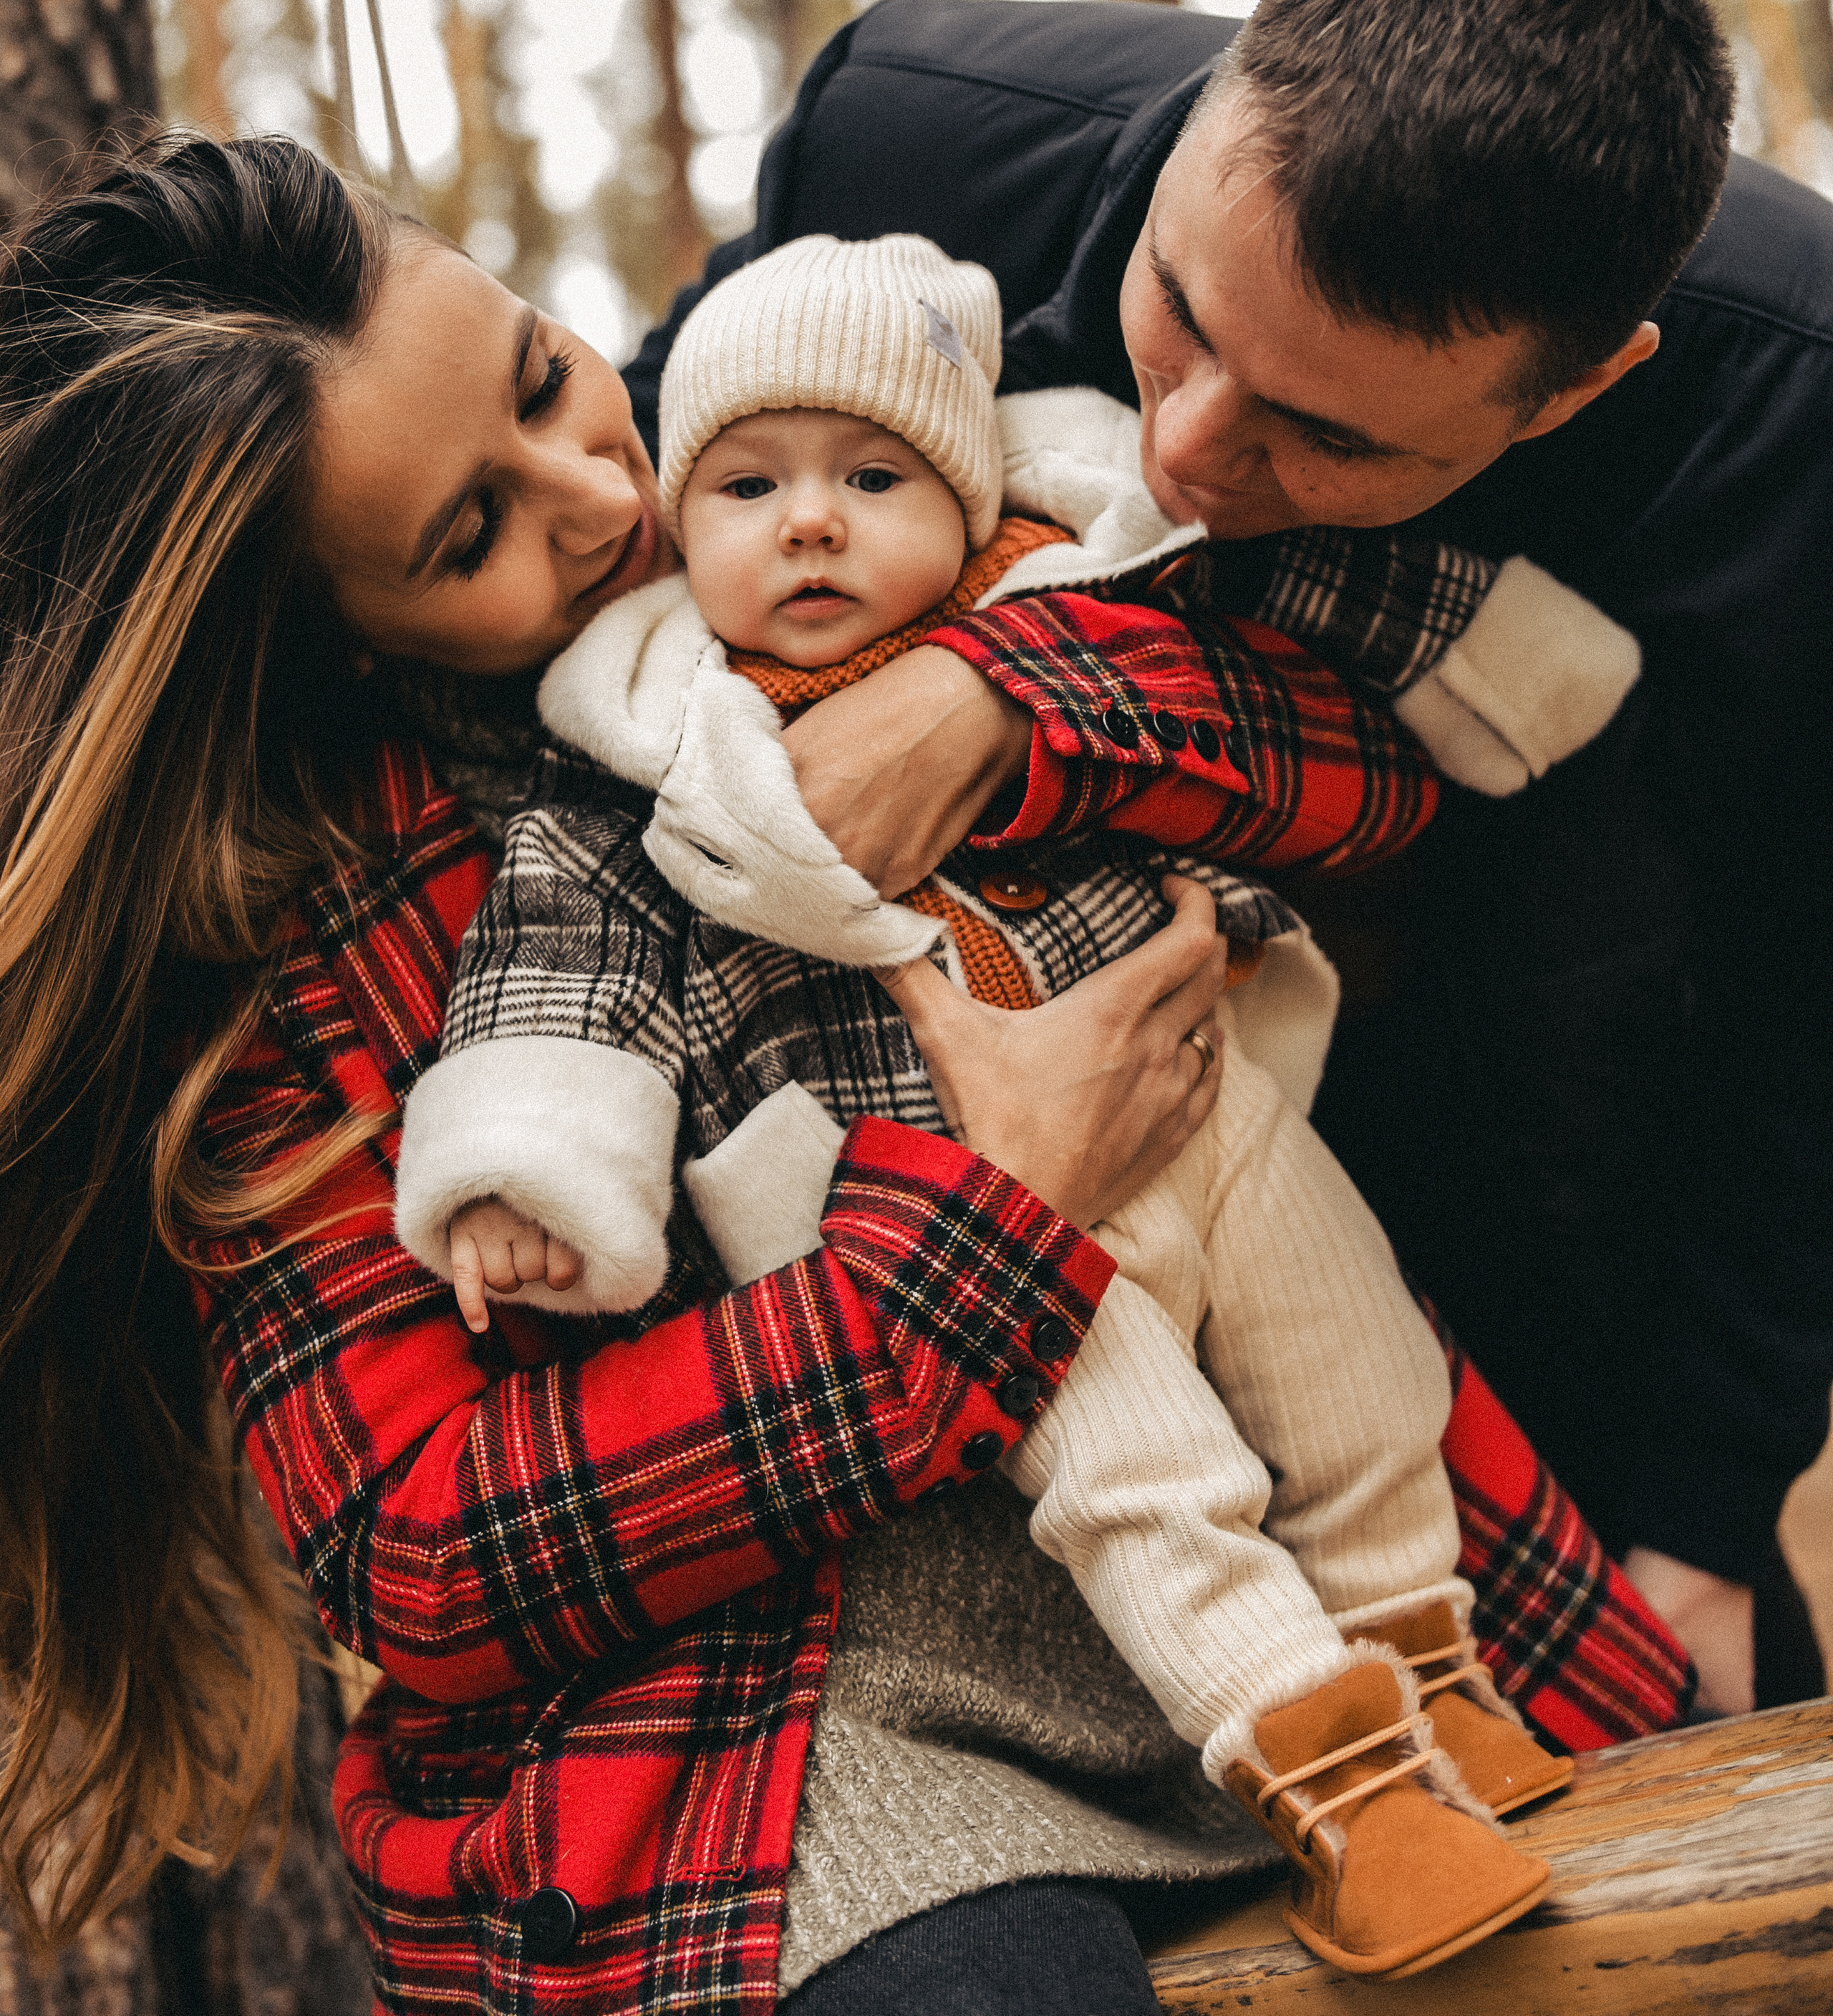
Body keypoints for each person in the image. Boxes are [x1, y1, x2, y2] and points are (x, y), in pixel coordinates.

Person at [0, 136, 1684, 2016]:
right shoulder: (303, 953)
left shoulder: (790, 464)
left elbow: (1364, 780)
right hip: (772, 1741)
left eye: (546, 375)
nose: (598, 493)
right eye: (468, 534)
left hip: (1307, 1545)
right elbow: (428, 1552)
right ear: (324, 648)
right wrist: (979, 1232)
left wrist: (994, 709)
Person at [627, 0, 1831, 1716]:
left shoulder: (1799, 429)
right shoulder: (900, 145)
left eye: (1325, 433)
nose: (1188, 449)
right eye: (1180, 311)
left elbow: (1798, 1011)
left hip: (1562, 1220)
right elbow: (636, 576)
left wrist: (1698, 1517)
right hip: (1003, 1239)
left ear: (1576, 394)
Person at [397, 230, 1660, 1974]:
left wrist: (1508, 669)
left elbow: (1305, 601)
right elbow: (556, 969)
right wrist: (527, 1172)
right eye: (749, 485)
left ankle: (1428, 1666)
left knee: (1358, 1368)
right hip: (942, 1193)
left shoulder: (1063, 567)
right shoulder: (644, 738)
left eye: (870, 474)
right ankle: (1351, 1796)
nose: (810, 523)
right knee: (1150, 1481)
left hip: (1206, 1107)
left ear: (967, 475)